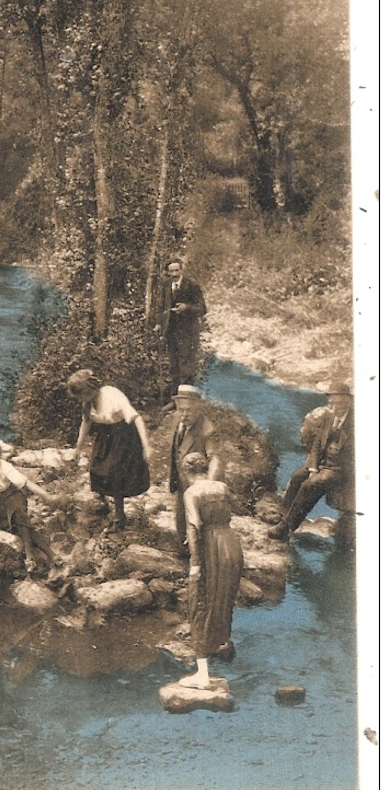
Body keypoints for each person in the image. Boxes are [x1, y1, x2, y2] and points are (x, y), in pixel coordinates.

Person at [175, 452, 243, 689]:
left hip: (211, 547)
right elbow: (232, 512)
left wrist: (195, 563)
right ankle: (221, 643)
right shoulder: (222, 487)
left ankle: (202, 675)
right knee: (223, 599)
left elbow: (194, 527)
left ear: (186, 472)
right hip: (231, 545)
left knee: (200, 602)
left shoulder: (191, 492)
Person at [0, 435, 66, 576]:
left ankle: (30, 557)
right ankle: (52, 555)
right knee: (21, 525)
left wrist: (47, 496)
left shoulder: (4, 466)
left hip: (11, 495)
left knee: (18, 514)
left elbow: (26, 482)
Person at [66, 369, 151, 532]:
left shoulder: (112, 396)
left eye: (80, 396)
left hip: (123, 435)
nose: (79, 400)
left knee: (115, 472)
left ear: (90, 390)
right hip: (105, 435)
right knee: (96, 466)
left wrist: (146, 446)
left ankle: (120, 517)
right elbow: (86, 422)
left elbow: (137, 418)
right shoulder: (87, 403)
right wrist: (77, 448)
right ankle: (102, 502)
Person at [269, 383, 355, 541]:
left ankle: (286, 527)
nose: (336, 407)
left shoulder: (355, 422)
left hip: (339, 468)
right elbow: (316, 444)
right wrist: (313, 467)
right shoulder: (329, 416)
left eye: (340, 403)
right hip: (322, 463)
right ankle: (283, 516)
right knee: (297, 477)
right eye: (332, 403)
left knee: (310, 486)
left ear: (349, 401)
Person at [169, 385, 222, 553]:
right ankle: (183, 552)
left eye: (189, 411)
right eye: (181, 409)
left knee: (198, 523)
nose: (184, 414)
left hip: (198, 486)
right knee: (180, 517)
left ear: (199, 407)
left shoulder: (208, 431)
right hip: (181, 480)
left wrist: (208, 486)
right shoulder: (179, 419)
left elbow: (215, 458)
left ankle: (200, 559)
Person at [155, 258, 207, 399]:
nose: (174, 274)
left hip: (188, 332)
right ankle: (174, 397)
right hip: (170, 331)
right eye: (171, 271)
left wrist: (187, 308)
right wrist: (159, 323)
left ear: (181, 270)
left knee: (186, 366)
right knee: (173, 366)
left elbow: (202, 308)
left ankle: (186, 399)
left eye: (176, 270)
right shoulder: (166, 285)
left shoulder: (191, 285)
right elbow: (161, 306)